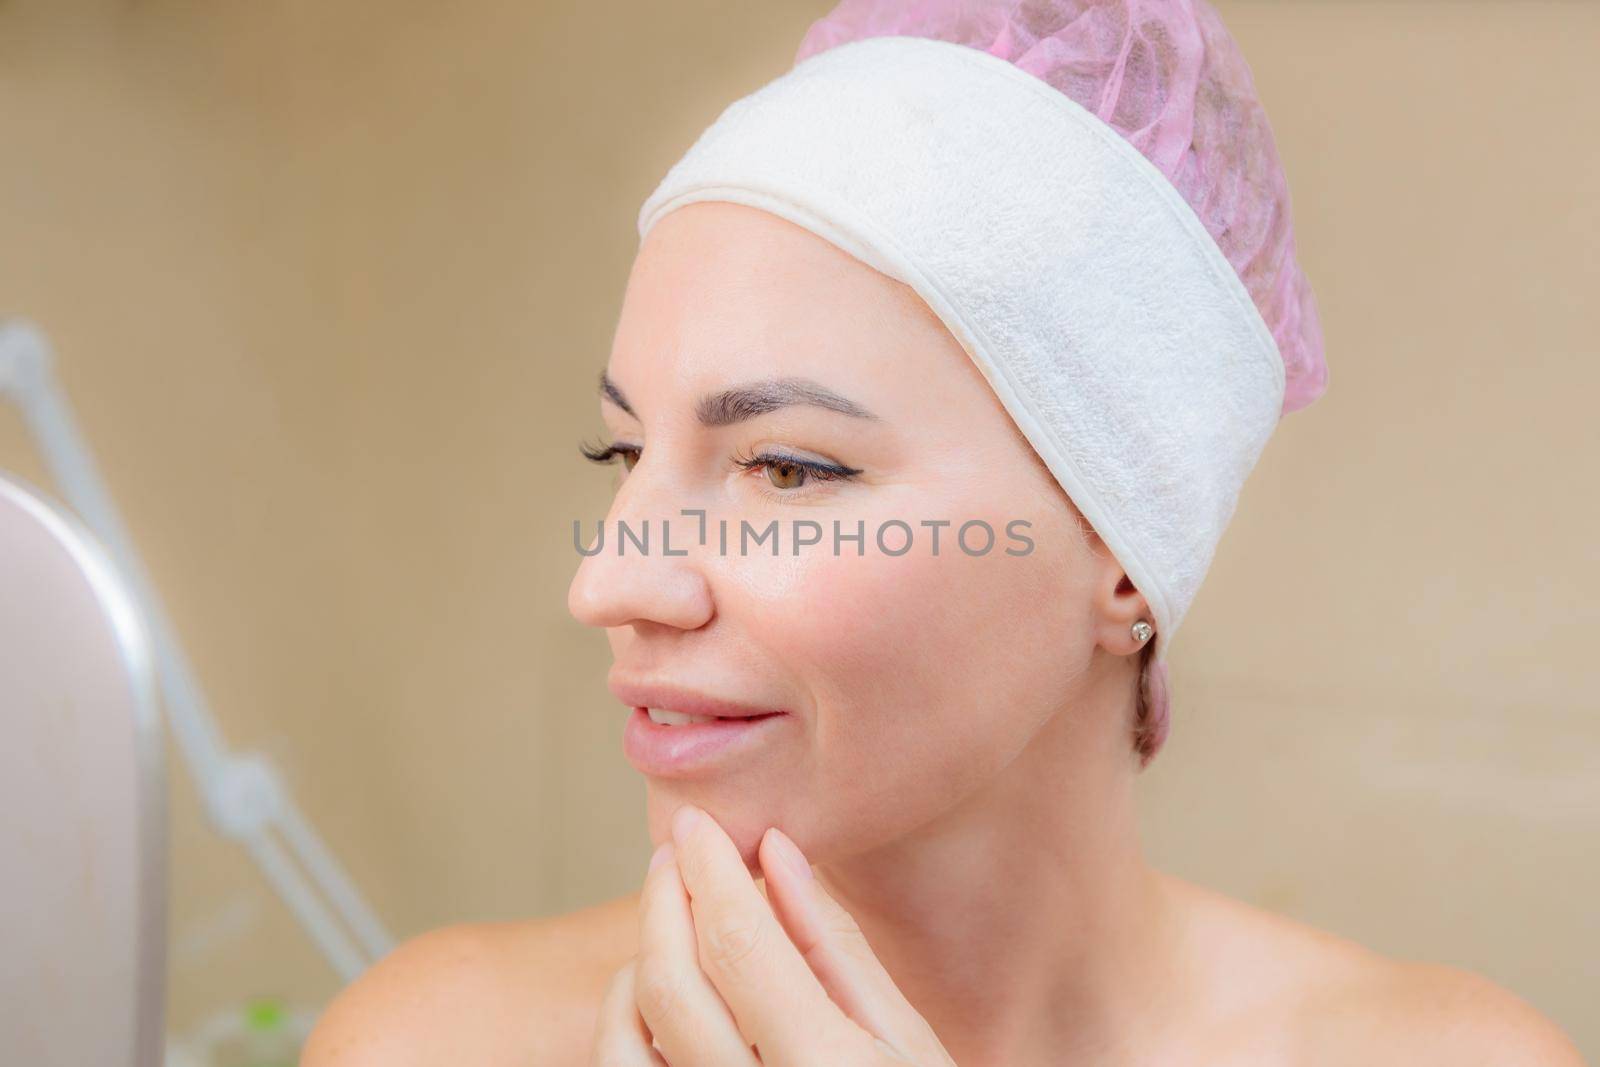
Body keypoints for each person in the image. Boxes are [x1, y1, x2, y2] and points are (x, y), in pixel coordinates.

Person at [302, 3, 1585, 1064]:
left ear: (1125, 549)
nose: (610, 579)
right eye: (626, 454)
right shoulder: (436, 1037)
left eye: (787, 467)